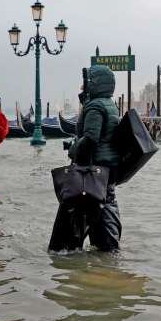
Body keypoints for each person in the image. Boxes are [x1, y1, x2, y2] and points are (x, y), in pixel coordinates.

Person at [50, 65, 122, 252]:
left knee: (92, 209)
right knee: (102, 205)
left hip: (93, 168)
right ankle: (106, 256)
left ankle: (103, 251)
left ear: (94, 83)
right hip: (106, 169)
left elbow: (90, 138)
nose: (82, 87)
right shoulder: (109, 104)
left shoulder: (95, 106)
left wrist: (73, 149)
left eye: (86, 83)